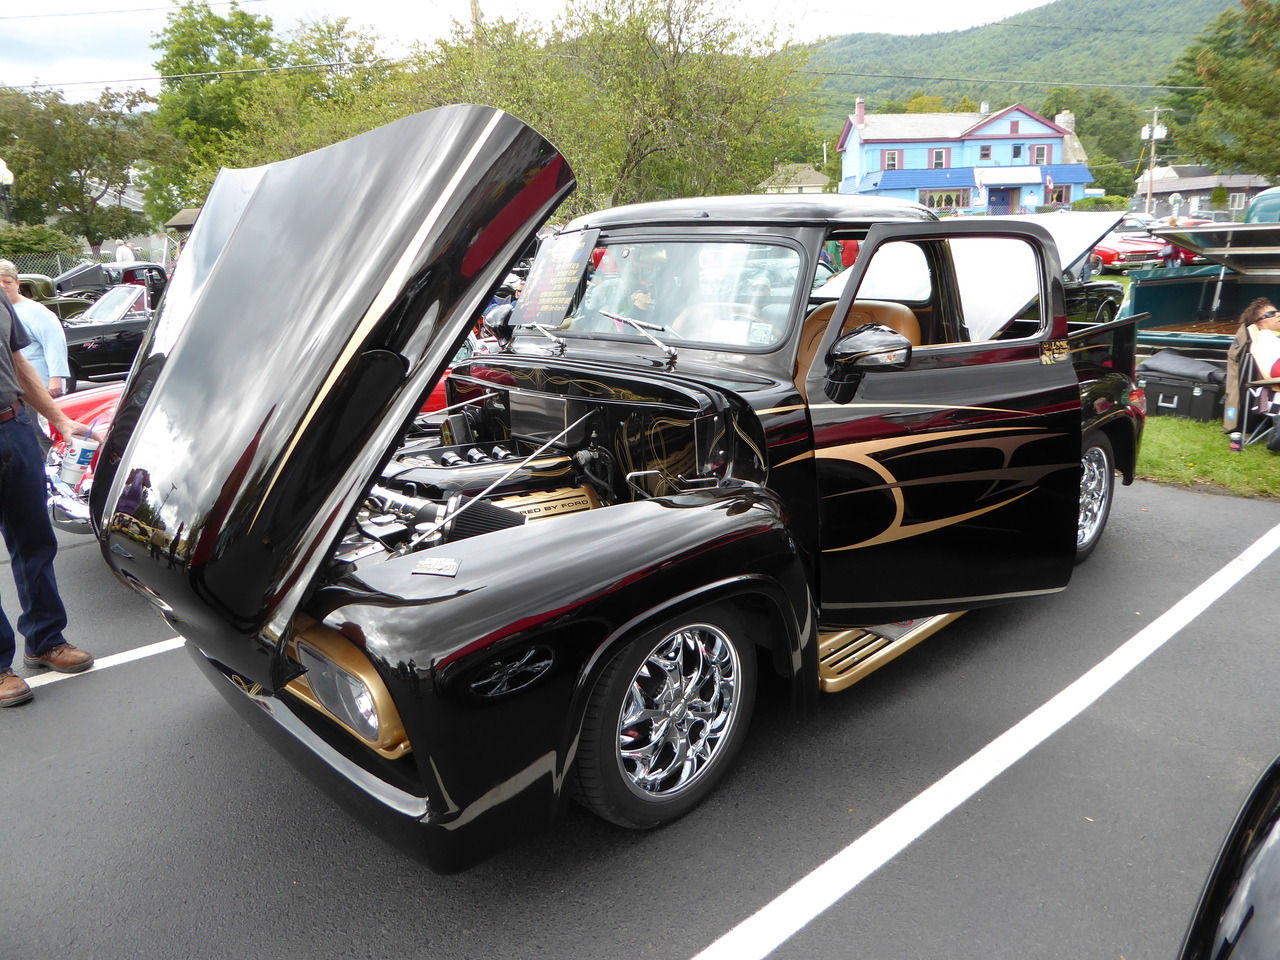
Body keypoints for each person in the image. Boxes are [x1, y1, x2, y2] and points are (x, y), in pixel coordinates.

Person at [0, 285, 99, 707]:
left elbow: (19, 362)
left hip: (13, 426)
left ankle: (45, 640)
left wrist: (57, 416)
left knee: (35, 539)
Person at [0, 261, 70, 399]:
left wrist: (56, 377)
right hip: (15, 386)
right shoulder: (3, 311)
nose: (3, 286)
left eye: (7, 282)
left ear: (17, 284)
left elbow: (54, 343)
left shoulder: (35, 311)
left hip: (40, 384)